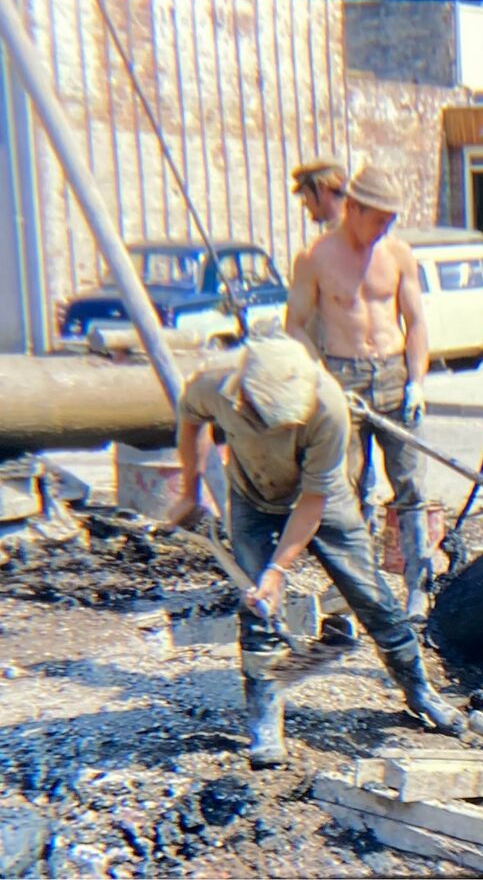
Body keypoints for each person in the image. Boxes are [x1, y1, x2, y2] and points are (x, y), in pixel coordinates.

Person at [167, 334, 464, 769]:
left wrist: (278, 569)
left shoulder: (328, 408)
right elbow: (189, 419)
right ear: (243, 398)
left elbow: (311, 504)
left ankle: (418, 689)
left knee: (372, 596)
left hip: (322, 501)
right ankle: (264, 720)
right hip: (251, 499)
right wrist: (189, 490)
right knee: (259, 610)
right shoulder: (214, 386)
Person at [286, 164, 436, 622]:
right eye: (378, 219)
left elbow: (416, 322)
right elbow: (294, 325)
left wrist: (416, 380)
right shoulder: (314, 257)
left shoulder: (398, 255)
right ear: (352, 208)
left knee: (410, 486)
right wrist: (325, 381)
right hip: (343, 380)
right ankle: (362, 590)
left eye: (391, 221)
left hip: (392, 375)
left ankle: (418, 589)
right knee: (348, 491)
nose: (384, 229)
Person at [291, 158, 348, 227]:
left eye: (306, 194)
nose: (304, 203)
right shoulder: (355, 228)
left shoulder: (343, 233)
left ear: (322, 188)